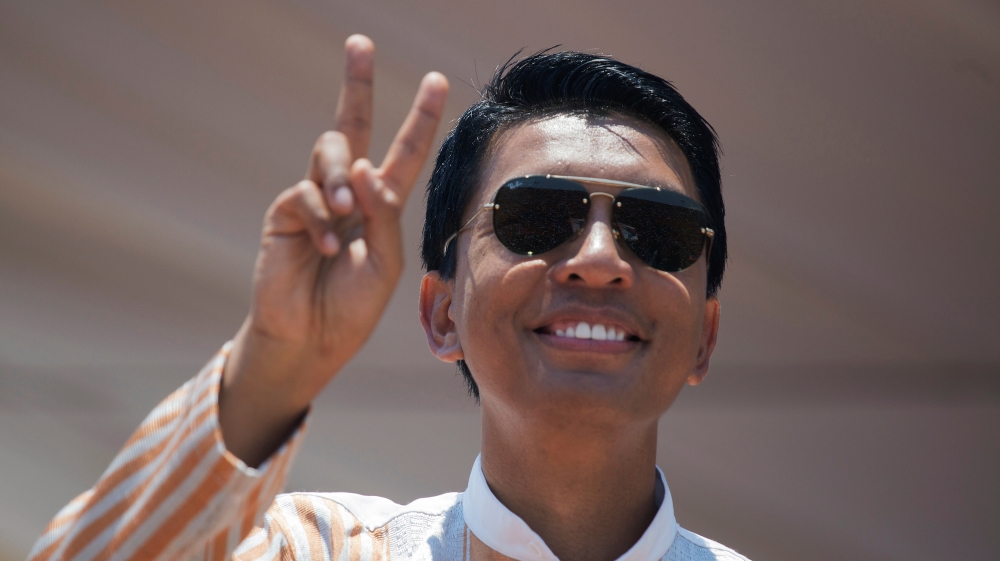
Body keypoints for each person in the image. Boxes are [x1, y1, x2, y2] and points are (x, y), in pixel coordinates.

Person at [28, 34, 748, 561]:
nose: (598, 259)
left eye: (656, 232)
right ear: (441, 312)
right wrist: (274, 361)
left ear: (705, 337)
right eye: (536, 220)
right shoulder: (313, 551)